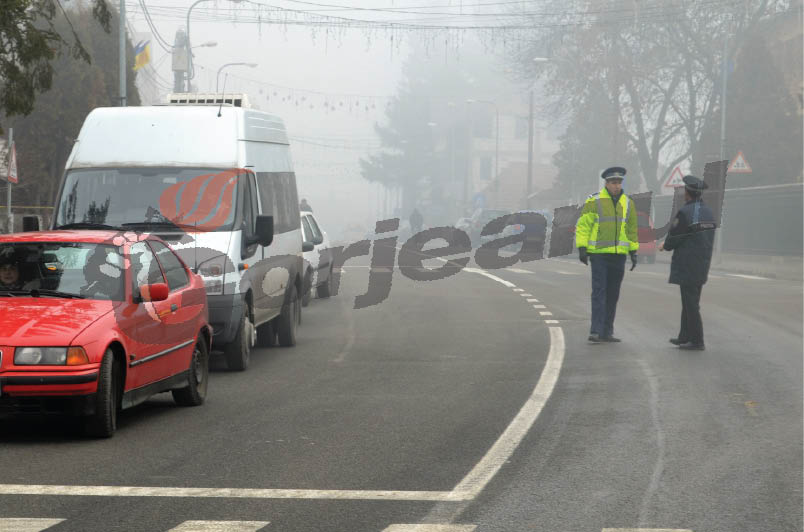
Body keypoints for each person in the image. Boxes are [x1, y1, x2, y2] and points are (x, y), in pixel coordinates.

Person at [575, 166, 639, 343]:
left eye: (619, 182)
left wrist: (633, 251)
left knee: (613, 295)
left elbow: (632, 229)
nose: (616, 186)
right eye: (613, 182)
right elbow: (583, 225)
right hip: (599, 255)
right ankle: (595, 330)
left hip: (619, 256)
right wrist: (582, 247)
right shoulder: (594, 201)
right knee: (599, 293)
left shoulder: (628, 203)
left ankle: (607, 331)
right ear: (606, 183)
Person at [659, 175, 716, 351]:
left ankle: (697, 340)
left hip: (688, 263)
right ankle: (684, 336)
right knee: (690, 300)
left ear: (688, 193)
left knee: (690, 303)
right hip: (702, 262)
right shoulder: (708, 212)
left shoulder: (686, 213)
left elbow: (675, 236)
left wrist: (664, 246)